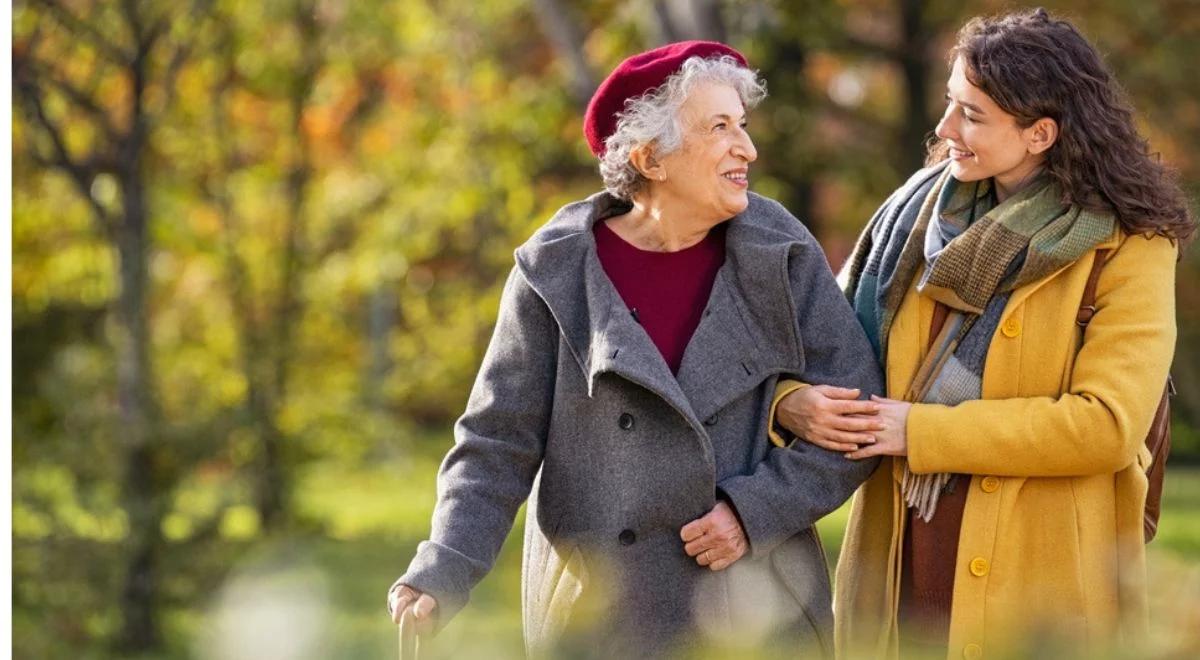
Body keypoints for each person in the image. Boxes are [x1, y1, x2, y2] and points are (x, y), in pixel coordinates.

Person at [384, 41, 883, 657]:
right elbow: (496, 442)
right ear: (651, 157)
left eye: (743, 126)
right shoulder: (555, 271)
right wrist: (442, 569)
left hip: (759, 608)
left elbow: (861, 415)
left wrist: (753, 512)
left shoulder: (780, 251)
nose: (747, 149)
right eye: (720, 128)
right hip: (603, 616)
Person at [773, 8, 1193, 659]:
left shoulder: (1129, 245)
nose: (943, 130)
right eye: (949, 104)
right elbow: (816, 349)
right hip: (898, 565)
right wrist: (789, 402)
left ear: (1040, 133)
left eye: (972, 114)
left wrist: (920, 431)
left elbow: (1107, 426)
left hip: (1039, 582)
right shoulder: (912, 221)